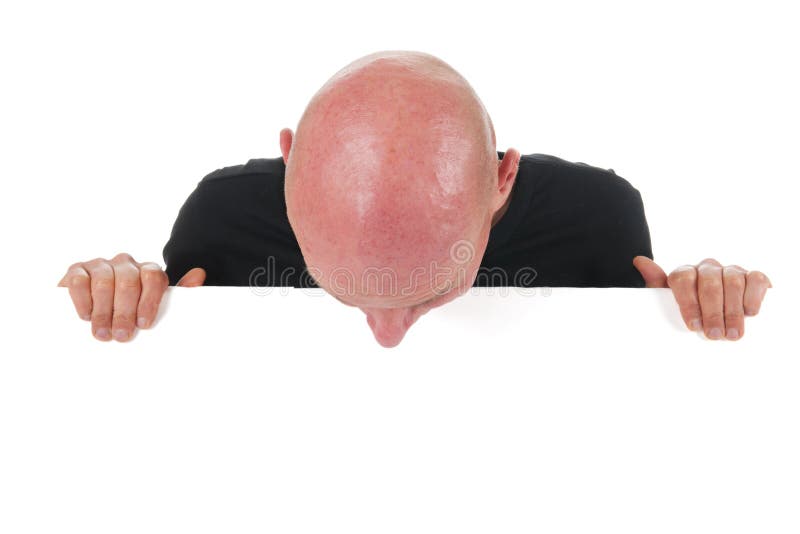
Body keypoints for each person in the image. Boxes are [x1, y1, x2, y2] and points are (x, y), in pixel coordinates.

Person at [57, 50, 772, 347]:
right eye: (343, 287)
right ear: (290, 165)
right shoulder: (223, 220)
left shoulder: (597, 222)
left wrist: (702, 304)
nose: (387, 338)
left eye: (429, 292)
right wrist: (124, 296)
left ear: (502, 179)